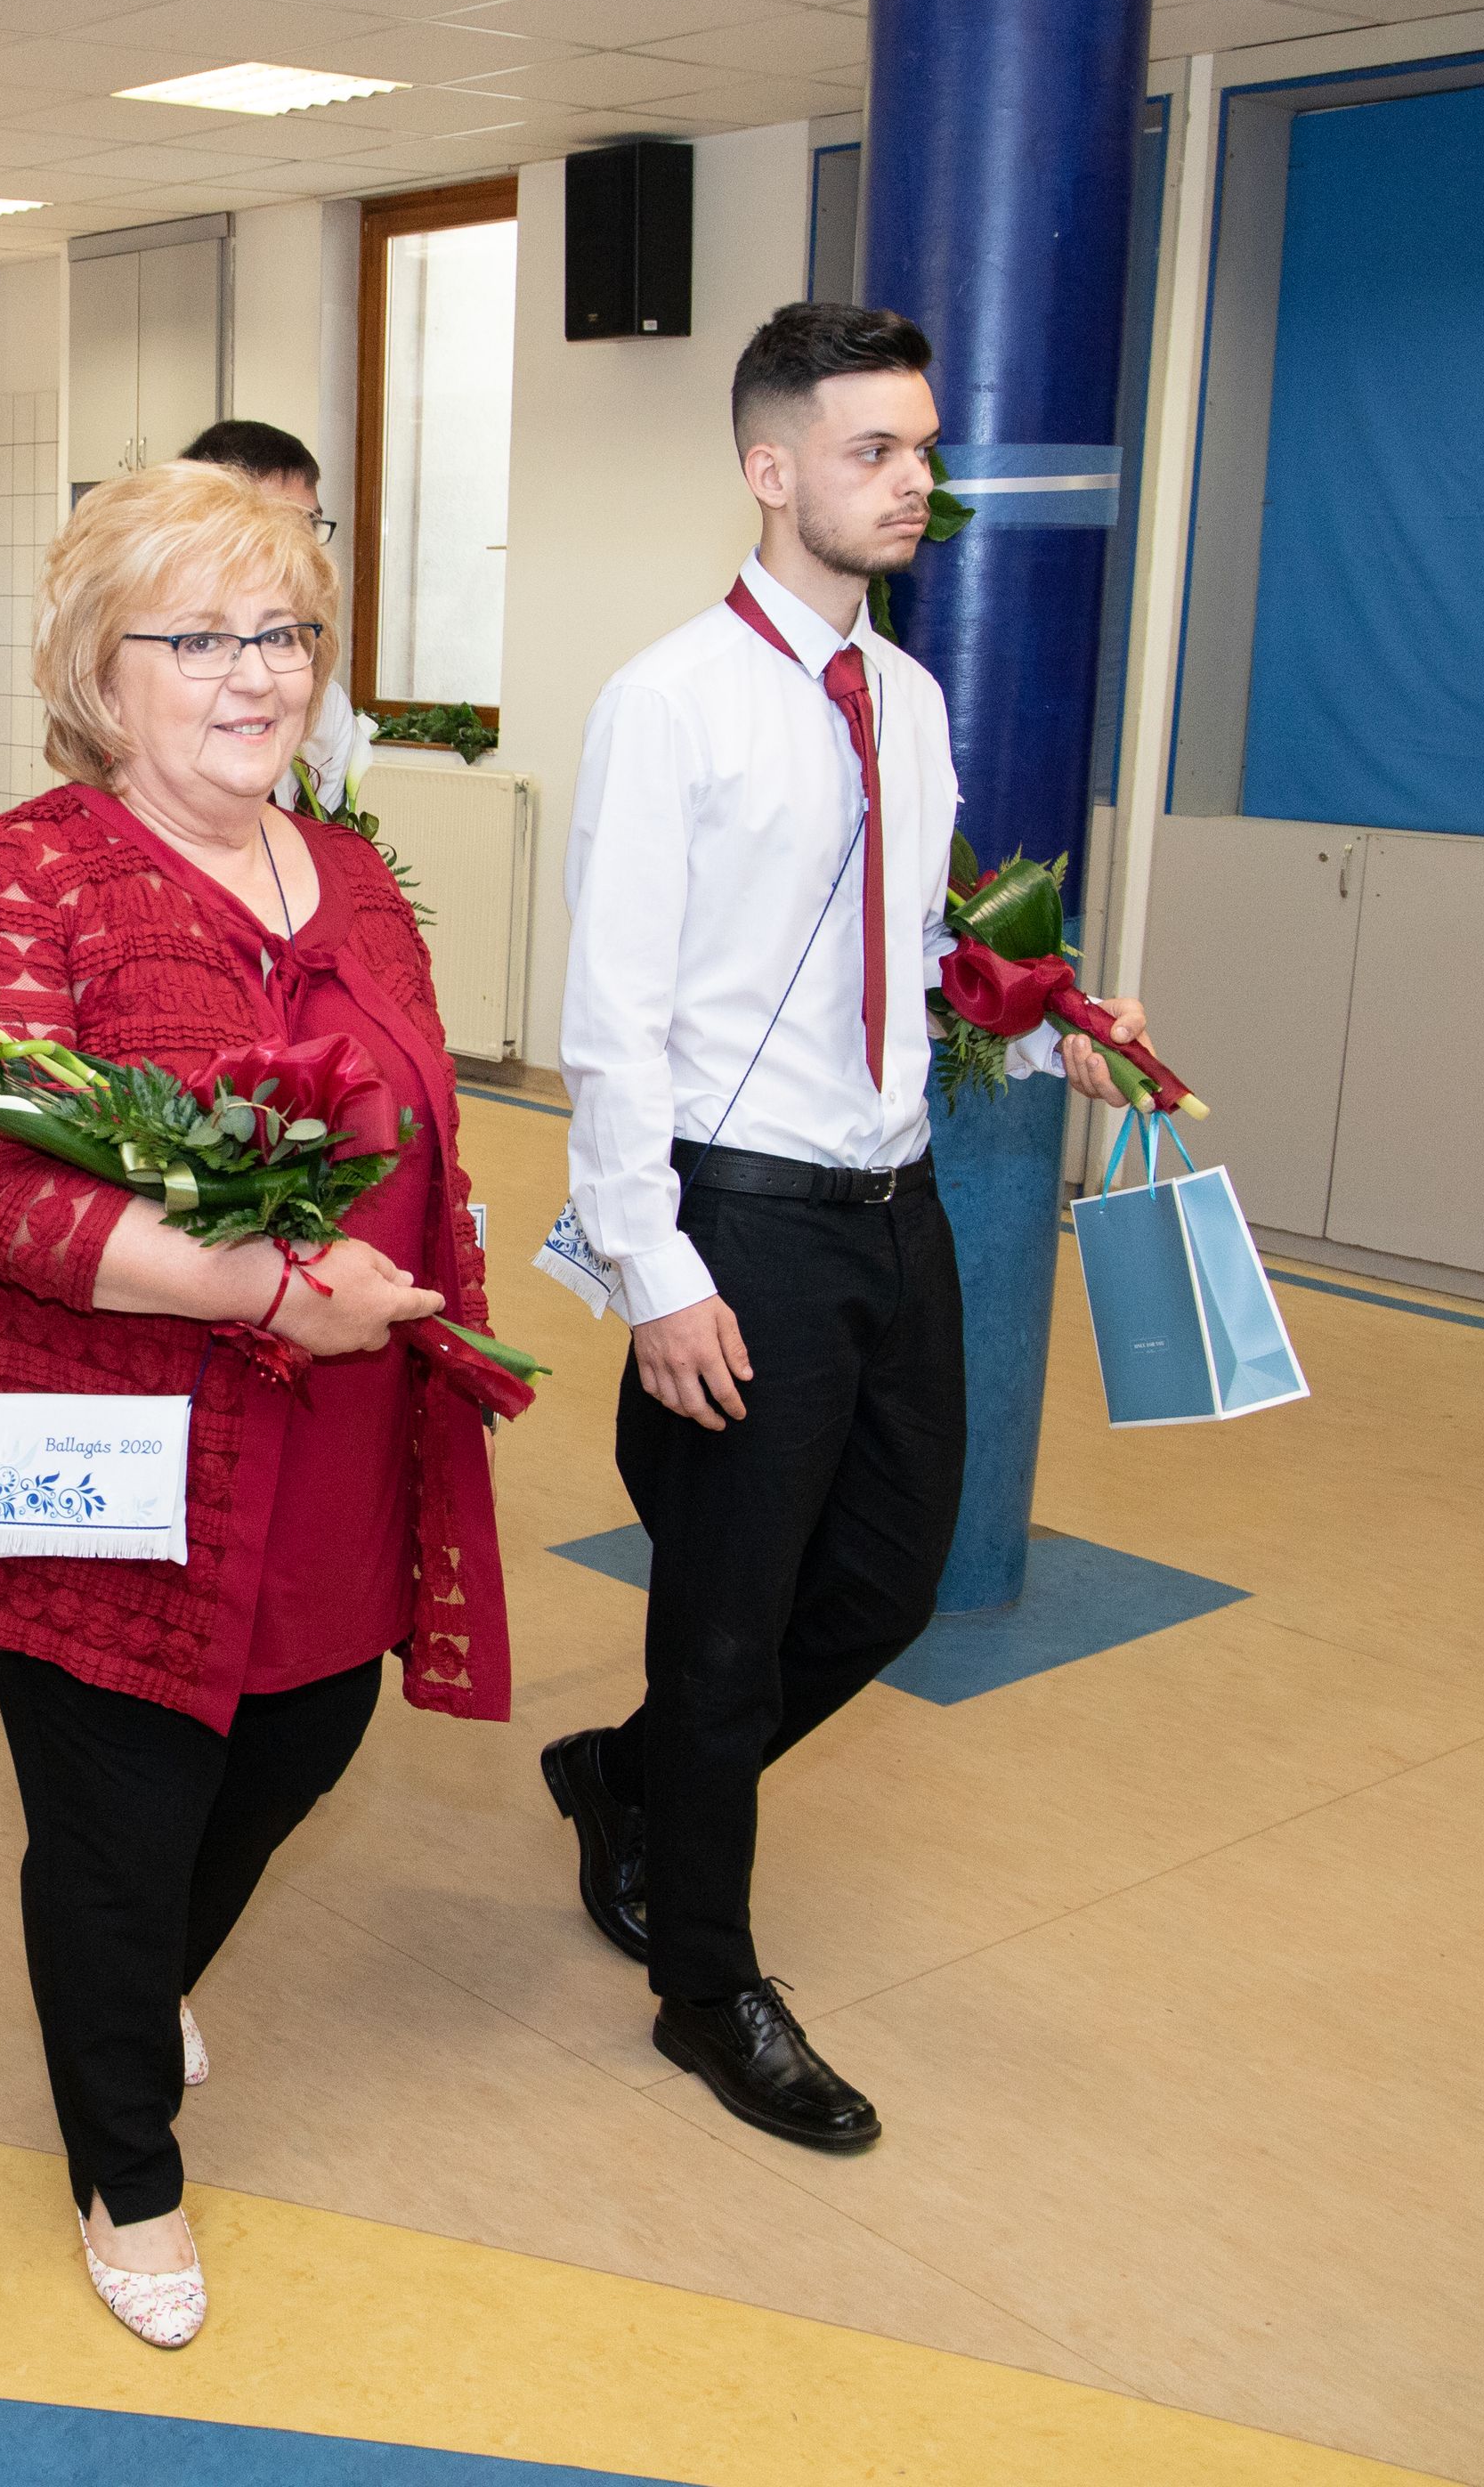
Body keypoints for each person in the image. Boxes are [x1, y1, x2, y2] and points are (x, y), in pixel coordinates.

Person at [0, 459, 505, 2350]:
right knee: (118, 1828)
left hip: (335, 1438)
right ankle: (124, 2167)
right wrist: (266, 1287)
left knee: (305, 1739)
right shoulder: (15, 875)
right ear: (100, 667)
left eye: (285, 633)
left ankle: (133, 1988)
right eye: (204, 639)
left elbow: (415, 1116)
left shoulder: (356, 873)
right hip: (114, 1446)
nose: (259, 674)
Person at [547, 303, 1149, 2158]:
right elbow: (613, 1018)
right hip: (742, 1221)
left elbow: (912, 952)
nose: (914, 482)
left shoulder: (908, 698)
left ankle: (631, 1776)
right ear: (769, 468)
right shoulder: (671, 700)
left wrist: (1041, 1024)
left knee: (886, 1579)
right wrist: (654, 1268)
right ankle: (705, 1981)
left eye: (924, 449)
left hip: (897, 1207)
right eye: (874, 450)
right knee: (727, 1625)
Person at [180, 420, 361, 812]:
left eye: (308, 525)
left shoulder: (325, 705)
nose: (300, 553)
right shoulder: (163, 687)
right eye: (272, 524)